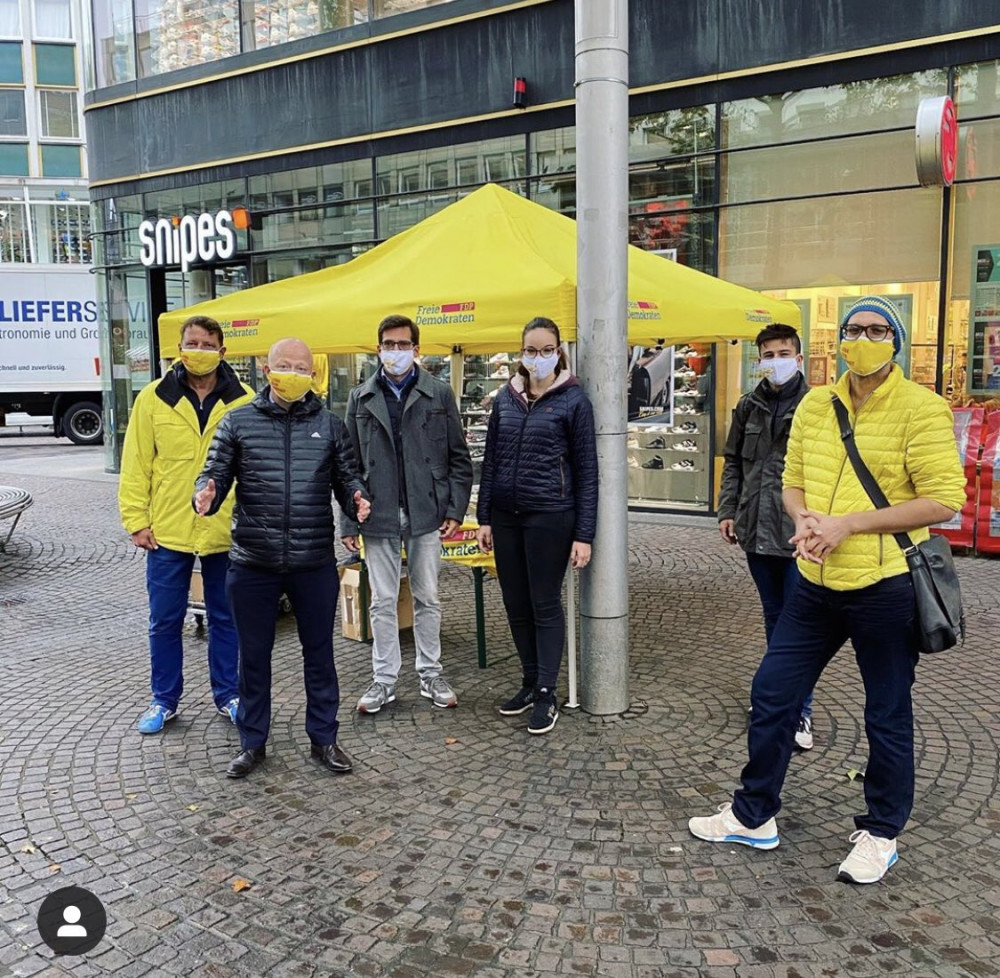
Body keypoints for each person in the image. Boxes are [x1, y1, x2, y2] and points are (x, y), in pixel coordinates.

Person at [689, 296, 966, 884]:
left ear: (897, 340)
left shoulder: (922, 408)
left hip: (885, 584)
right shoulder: (817, 404)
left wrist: (849, 525)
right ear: (838, 339)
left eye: (878, 329)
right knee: (773, 692)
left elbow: (943, 500)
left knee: (886, 712)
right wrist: (805, 520)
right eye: (854, 329)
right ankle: (753, 814)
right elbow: (791, 481)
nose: (864, 339)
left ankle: (882, 832)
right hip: (816, 582)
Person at [193, 338, 370, 779]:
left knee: (320, 654)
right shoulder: (238, 421)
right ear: (267, 370)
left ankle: (324, 738)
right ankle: (252, 743)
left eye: (301, 367)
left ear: (313, 373)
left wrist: (356, 498)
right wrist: (207, 492)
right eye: (284, 366)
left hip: (313, 561)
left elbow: (347, 477)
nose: (292, 373)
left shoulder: (330, 425)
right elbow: (214, 472)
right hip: (253, 561)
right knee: (253, 657)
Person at [119, 315, 254, 735]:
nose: (198, 351)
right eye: (191, 343)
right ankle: (164, 699)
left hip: (224, 530)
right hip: (168, 531)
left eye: (206, 344)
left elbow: (254, 469)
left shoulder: (244, 400)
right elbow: (136, 463)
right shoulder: (153, 398)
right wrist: (136, 520)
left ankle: (229, 695)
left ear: (222, 351)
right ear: (179, 349)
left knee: (226, 618)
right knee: (164, 619)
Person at [341, 314, 473, 713]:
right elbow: (347, 465)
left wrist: (455, 508)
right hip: (376, 512)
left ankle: (430, 672)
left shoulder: (439, 393)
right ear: (378, 348)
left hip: (426, 509)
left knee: (427, 597)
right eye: (388, 344)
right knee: (382, 601)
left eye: (402, 344)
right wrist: (348, 519)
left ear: (416, 349)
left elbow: (458, 457)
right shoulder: (360, 397)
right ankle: (384, 680)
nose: (395, 351)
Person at [475, 317, 598, 735]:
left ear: (558, 352)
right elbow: (491, 460)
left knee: (544, 603)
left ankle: (547, 691)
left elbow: (587, 472)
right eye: (531, 350)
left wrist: (584, 534)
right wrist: (484, 516)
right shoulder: (505, 399)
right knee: (515, 602)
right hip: (506, 515)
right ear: (521, 352)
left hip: (551, 514)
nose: (539, 357)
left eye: (547, 350)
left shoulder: (574, 401)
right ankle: (529, 681)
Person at [718, 324, 814, 749]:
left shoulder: (817, 406)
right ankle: (777, 700)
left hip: (798, 535)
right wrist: (728, 511)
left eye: (783, 353)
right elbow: (734, 462)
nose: (776, 362)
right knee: (775, 617)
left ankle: (799, 710)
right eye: (768, 355)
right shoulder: (748, 406)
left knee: (798, 623)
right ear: (759, 360)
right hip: (756, 531)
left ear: (799, 358)